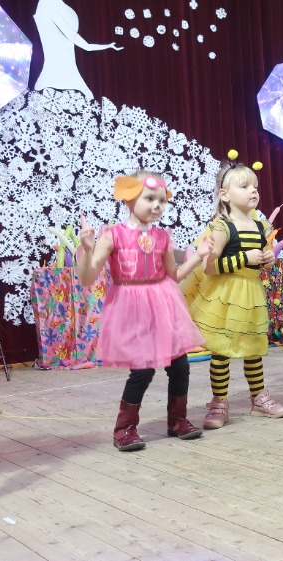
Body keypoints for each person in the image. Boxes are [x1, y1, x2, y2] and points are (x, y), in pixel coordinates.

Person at [78, 171, 208, 451]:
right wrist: (88, 250)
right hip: (132, 309)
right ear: (128, 199)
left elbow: (174, 275)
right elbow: (87, 278)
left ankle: (178, 420)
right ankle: (124, 428)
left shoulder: (162, 237)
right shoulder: (112, 236)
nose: (156, 205)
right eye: (149, 198)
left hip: (164, 306)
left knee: (180, 366)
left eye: (161, 200)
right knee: (143, 370)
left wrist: (198, 256)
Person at [182, 158, 283, 430]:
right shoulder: (222, 227)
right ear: (225, 195)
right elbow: (209, 268)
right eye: (244, 186)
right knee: (222, 351)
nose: (253, 190)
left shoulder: (260, 226)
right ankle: (219, 402)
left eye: (255, 186)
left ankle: (259, 399)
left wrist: (267, 259)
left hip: (251, 295)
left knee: (253, 349)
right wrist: (244, 258)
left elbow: (264, 257)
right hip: (226, 296)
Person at [33, 0, 122, 100]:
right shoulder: (48, 6)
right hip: (60, 76)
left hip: (59, 75)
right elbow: (85, 45)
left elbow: (83, 44)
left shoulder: (46, 6)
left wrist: (108, 46)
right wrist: (108, 46)